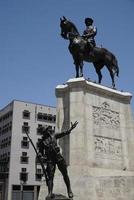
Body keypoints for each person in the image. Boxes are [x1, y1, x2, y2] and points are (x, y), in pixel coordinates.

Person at [38, 121, 78, 199]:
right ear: (43, 132)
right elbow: (40, 152)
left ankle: (69, 190)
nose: (47, 131)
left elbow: (64, 133)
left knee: (65, 174)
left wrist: (71, 129)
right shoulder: (42, 142)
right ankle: (50, 193)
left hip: (58, 157)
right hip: (50, 160)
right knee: (50, 177)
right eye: (45, 131)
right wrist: (40, 154)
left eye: (47, 130)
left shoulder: (54, 135)